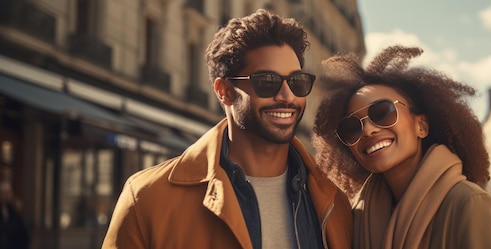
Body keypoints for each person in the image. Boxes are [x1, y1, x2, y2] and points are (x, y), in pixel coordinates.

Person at [102, 9, 352, 249]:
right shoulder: (147, 198)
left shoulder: (334, 203)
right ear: (225, 92)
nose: (287, 95)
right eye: (267, 82)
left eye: (297, 82)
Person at [312, 45, 491, 249]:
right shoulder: (357, 216)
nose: (368, 130)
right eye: (352, 127)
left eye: (382, 112)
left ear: (421, 126)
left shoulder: (470, 204)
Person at [0, 180, 30, 249]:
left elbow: (21, 229)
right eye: (4, 193)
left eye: (8, 193)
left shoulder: (12, 209)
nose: (7, 196)